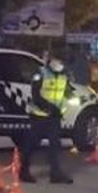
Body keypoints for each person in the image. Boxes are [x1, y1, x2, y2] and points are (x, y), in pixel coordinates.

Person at [20, 53, 74, 184]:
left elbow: (66, 92)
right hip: (39, 115)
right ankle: (23, 171)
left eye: (62, 61)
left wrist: (68, 97)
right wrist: (51, 108)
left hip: (54, 117)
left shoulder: (64, 75)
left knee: (55, 145)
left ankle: (55, 174)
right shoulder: (41, 73)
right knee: (31, 145)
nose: (60, 64)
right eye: (58, 60)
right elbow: (36, 96)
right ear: (52, 59)